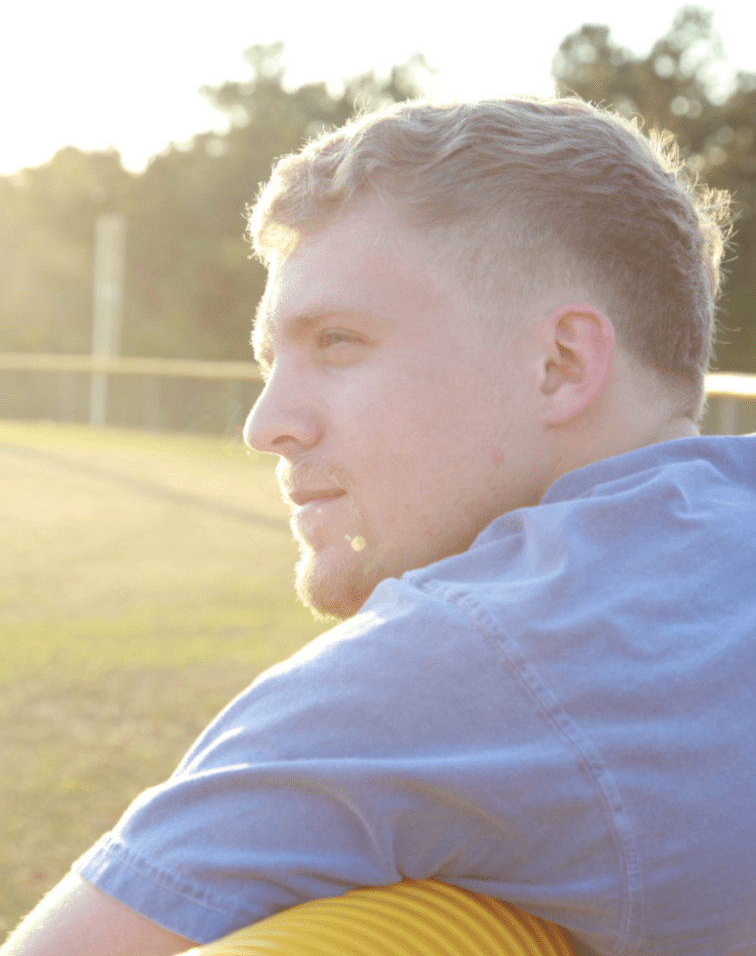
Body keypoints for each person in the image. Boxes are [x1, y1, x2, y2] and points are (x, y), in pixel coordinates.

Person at [4, 98, 755, 956]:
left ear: (561, 364)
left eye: (337, 342)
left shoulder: (470, 653)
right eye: (267, 361)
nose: (266, 424)